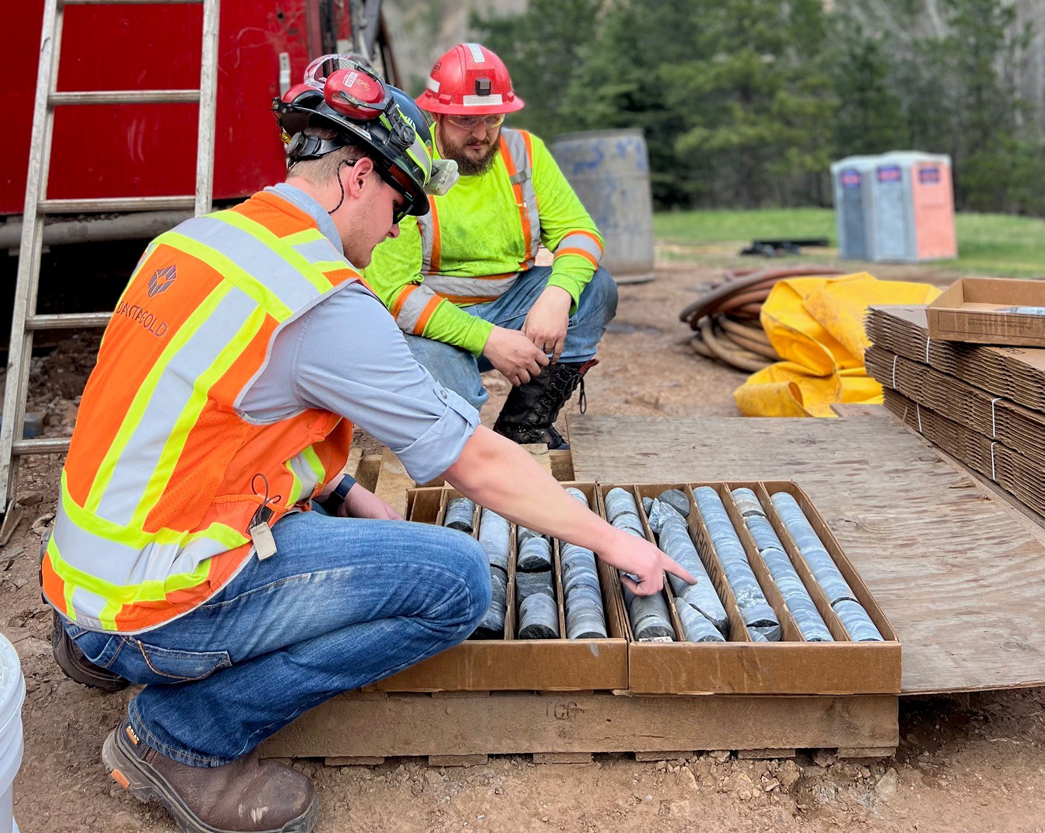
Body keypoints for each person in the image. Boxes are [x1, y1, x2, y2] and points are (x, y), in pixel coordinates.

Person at [44, 57, 692, 833]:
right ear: (357, 176)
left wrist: (345, 494)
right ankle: (185, 737)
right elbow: (477, 461)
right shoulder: (318, 295)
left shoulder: (197, 241)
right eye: (398, 205)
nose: (397, 229)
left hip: (86, 578)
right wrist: (616, 543)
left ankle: (94, 646)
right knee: (455, 582)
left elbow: (203, 425)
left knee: (350, 528)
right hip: (162, 602)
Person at [363, 43, 617, 450]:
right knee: (455, 410)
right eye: (465, 120)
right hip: (430, 325)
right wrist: (488, 340)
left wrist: (556, 295)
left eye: (493, 118)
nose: (482, 134)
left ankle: (524, 424)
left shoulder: (524, 152)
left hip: (510, 305)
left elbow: (580, 231)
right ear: (436, 113)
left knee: (594, 288)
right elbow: (394, 295)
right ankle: (459, 431)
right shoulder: (407, 162)